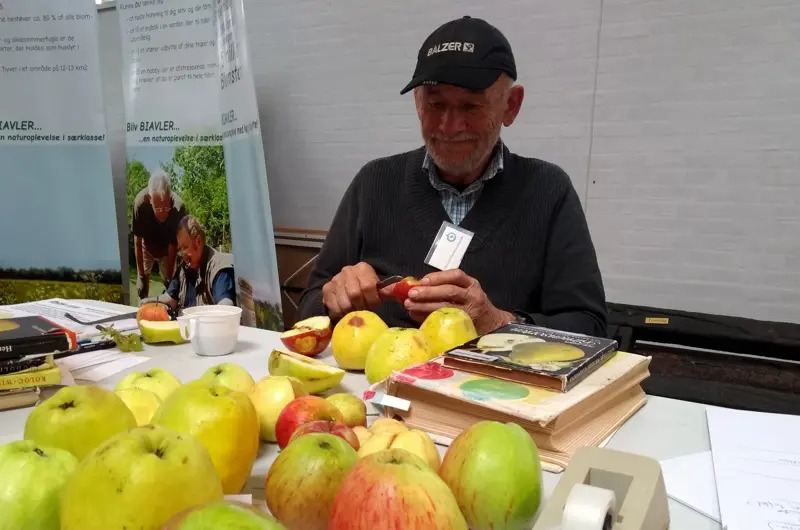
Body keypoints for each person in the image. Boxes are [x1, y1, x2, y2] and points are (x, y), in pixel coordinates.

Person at [297, 16, 607, 337]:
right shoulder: (374, 183)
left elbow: (591, 326)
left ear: (511, 106)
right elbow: (309, 305)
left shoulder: (548, 191)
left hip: (497, 384)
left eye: (471, 107)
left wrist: (499, 323)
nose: (449, 126)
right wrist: (332, 300)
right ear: (418, 103)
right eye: (436, 104)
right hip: (383, 380)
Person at [141, 215, 236, 310]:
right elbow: (170, 299)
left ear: (198, 242)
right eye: (180, 248)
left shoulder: (218, 268)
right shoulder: (183, 269)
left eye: (185, 247)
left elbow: (226, 307)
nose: (182, 253)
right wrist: (148, 301)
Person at [132, 172, 186, 300]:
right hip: (146, 246)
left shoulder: (178, 207)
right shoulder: (140, 204)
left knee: (171, 289)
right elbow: (138, 241)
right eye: (158, 208)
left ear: (170, 197)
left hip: (167, 249)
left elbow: (173, 244)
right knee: (143, 289)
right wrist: (140, 275)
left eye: (165, 207)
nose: (162, 214)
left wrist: (168, 278)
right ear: (149, 199)